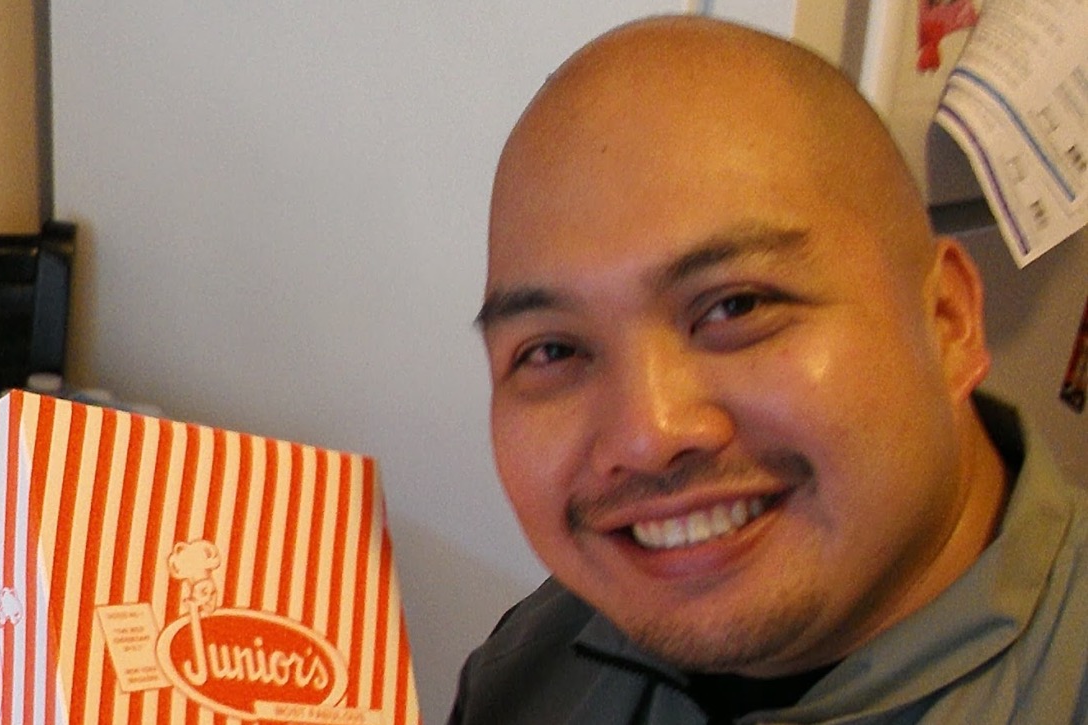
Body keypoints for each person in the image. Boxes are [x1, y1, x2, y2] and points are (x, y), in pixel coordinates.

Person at [450, 14, 1088, 725]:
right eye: (553, 351)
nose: (647, 435)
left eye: (736, 306)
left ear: (947, 321)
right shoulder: (529, 669)